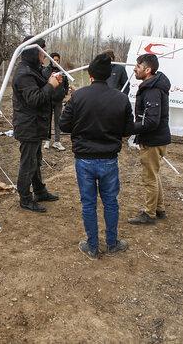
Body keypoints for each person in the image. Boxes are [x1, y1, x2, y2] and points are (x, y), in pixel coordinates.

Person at [60, 53, 134, 259]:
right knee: (110, 201)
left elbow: (64, 125)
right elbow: (128, 129)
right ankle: (112, 243)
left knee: (89, 203)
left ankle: (92, 246)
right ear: (110, 75)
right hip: (109, 158)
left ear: (90, 75)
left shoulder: (78, 96)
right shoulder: (121, 98)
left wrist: (81, 125)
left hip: (84, 159)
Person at [12, 35, 62, 213]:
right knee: (28, 162)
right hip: (28, 126)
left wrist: (54, 83)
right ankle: (25, 198)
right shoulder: (24, 73)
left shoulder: (33, 69)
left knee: (36, 160)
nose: (45, 54)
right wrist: (50, 85)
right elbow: (34, 99)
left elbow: (44, 91)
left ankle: (40, 191)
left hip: (35, 125)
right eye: (42, 50)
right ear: (34, 51)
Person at [127, 53, 172, 225]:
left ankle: (149, 213)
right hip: (157, 138)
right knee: (154, 174)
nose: (134, 69)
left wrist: (130, 128)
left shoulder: (152, 90)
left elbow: (152, 121)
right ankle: (159, 208)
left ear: (148, 70)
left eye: (138, 66)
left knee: (149, 178)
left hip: (153, 140)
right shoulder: (153, 86)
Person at [42, 52, 69, 151]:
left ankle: (57, 141)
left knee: (58, 121)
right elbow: (43, 83)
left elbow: (66, 83)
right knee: (47, 120)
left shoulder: (62, 71)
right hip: (48, 100)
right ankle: (47, 140)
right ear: (51, 60)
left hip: (58, 101)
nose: (56, 62)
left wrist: (64, 92)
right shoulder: (45, 71)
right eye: (54, 60)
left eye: (58, 60)